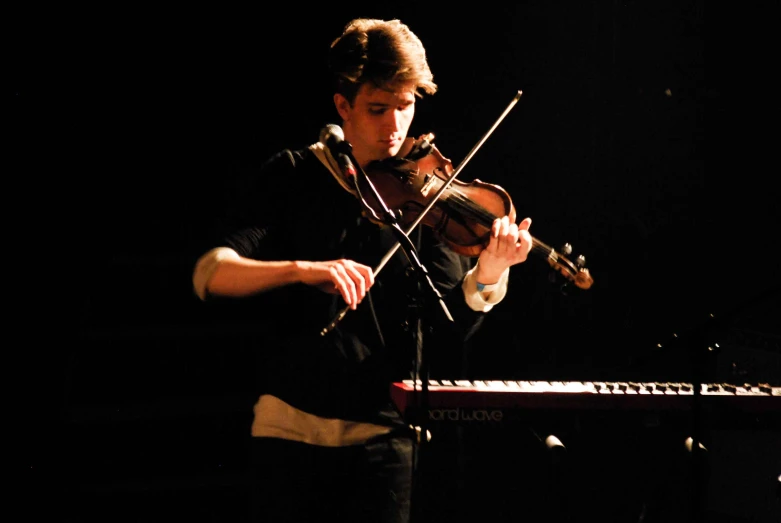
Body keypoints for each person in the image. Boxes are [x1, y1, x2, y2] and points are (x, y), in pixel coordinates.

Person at [191, 17, 534, 523]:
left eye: (406, 106)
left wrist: (488, 275)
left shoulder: (426, 196)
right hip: (290, 432)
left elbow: (446, 328)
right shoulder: (294, 175)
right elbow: (210, 273)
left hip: (386, 441)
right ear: (342, 106)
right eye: (378, 109)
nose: (395, 128)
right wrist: (305, 270)